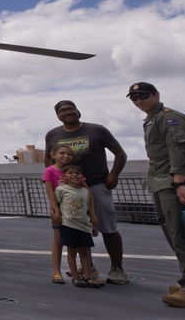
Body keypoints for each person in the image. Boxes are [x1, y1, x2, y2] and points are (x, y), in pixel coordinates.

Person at [128, 82, 185, 308]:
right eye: (134, 98)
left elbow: (179, 148)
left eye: (143, 96)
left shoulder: (169, 118)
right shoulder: (152, 119)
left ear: (156, 95)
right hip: (164, 182)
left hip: (176, 183)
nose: (139, 100)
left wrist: (179, 182)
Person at [44, 100, 130, 285]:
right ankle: (88, 266)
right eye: (62, 111)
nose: (67, 112)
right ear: (58, 115)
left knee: (107, 226)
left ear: (78, 111)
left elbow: (120, 154)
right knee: (74, 227)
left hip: (96, 185)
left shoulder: (97, 130)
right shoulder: (52, 134)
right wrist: (54, 184)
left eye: (70, 109)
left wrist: (113, 176)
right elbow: (47, 160)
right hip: (67, 190)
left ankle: (117, 268)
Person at [55, 165, 103, 288]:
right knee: (71, 251)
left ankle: (88, 276)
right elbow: (55, 204)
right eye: (70, 173)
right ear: (64, 176)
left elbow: (88, 209)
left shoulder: (85, 191)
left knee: (84, 251)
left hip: (84, 226)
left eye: (77, 173)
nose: (74, 175)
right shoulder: (61, 189)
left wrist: (93, 225)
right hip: (68, 225)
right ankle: (75, 277)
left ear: (82, 176)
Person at [43, 144, 74, 283]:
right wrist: (54, 208)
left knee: (75, 242)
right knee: (58, 240)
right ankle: (56, 271)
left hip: (74, 211)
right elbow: (50, 191)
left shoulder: (74, 171)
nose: (65, 156)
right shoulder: (49, 171)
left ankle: (78, 272)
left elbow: (84, 189)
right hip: (60, 209)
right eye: (62, 153)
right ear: (53, 155)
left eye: (69, 154)